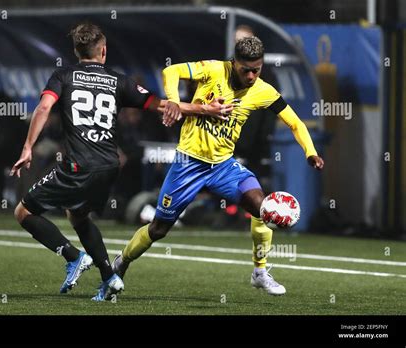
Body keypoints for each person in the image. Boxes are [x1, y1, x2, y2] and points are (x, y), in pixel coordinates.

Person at [10, 22, 231, 301]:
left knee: (24, 212)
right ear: (103, 51)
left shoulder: (63, 75)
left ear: (77, 51)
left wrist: (28, 147)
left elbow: (44, 107)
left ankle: (73, 256)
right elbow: (163, 105)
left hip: (78, 164)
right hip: (110, 166)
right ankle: (109, 277)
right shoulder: (118, 80)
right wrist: (205, 109)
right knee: (77, 215)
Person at [113, 36, 325, 296]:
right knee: (158, 229)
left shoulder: (264, 91)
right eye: (245, 69)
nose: (250, 76)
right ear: (234, 63)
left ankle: (260, 272)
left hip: (224, 166)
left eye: (256, 70)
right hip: (188, 164)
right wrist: (173, 102)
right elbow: (171, 71)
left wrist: (310, 152)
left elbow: (295, 122)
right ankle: (122, 261)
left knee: (260, 206)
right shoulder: (213, 69)